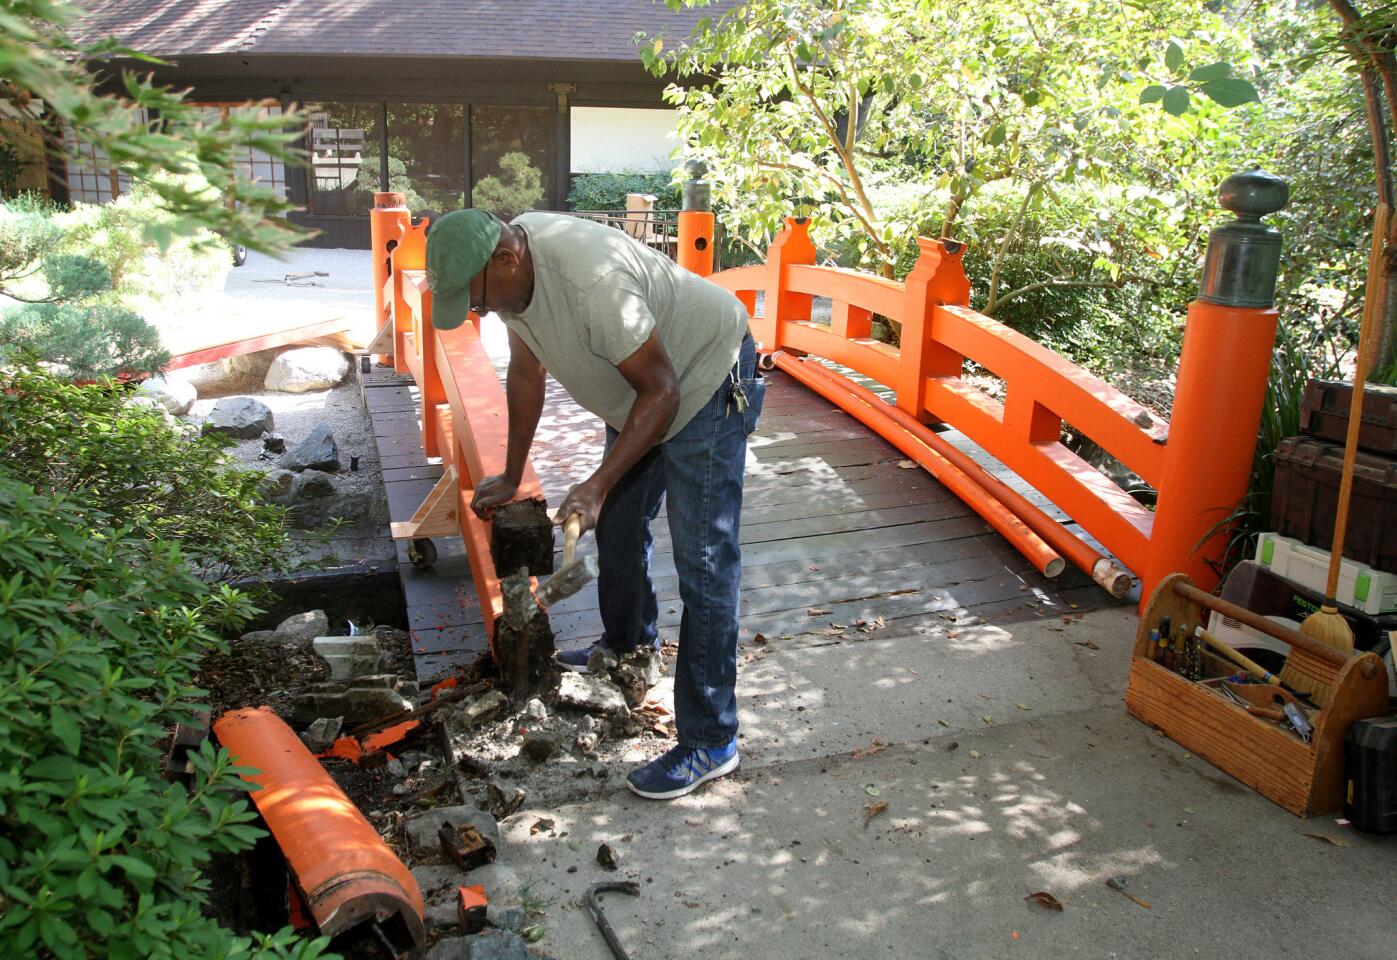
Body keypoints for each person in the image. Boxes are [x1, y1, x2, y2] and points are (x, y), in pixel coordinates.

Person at [425, 207, 764, 800]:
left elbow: (664, 390)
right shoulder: (514, 279)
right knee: (621, 527)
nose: (476, 310)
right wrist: (510, 472)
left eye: (475, 297)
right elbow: (526, 374)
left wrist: (598, 483)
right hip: (643, 394)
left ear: (506, 259)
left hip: (704, 378)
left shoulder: (589, 280)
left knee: (704, 562)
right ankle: (631, 647)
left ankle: (711, 740)